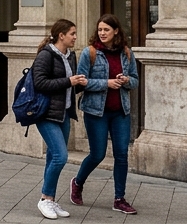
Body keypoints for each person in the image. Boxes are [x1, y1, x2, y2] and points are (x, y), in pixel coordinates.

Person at [71, 14, 140, 216]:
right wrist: (106, 83)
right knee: (98, 154)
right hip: (95, 112)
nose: (102, 33)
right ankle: (77, 182)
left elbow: (135, 81)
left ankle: (119, 198)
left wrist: (126, 80)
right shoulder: (89, 53)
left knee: (121, 154)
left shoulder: (126, 53)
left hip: (120, 112)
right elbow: (81, 81)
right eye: (100, 30)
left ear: (116, 31)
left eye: (106, 30)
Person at [32, 18, 87, 220]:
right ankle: (45, 200)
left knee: (52, 157)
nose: (75, 37)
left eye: (75, 33)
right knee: (60, 156)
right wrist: (68, 81)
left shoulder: (70, 55)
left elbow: (69, 84)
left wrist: (79, 83)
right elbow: (39, 83)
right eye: (72, 33)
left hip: (62, 113)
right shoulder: (46, 55)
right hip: (45, 113)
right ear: (61, 35)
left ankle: (50, 198)